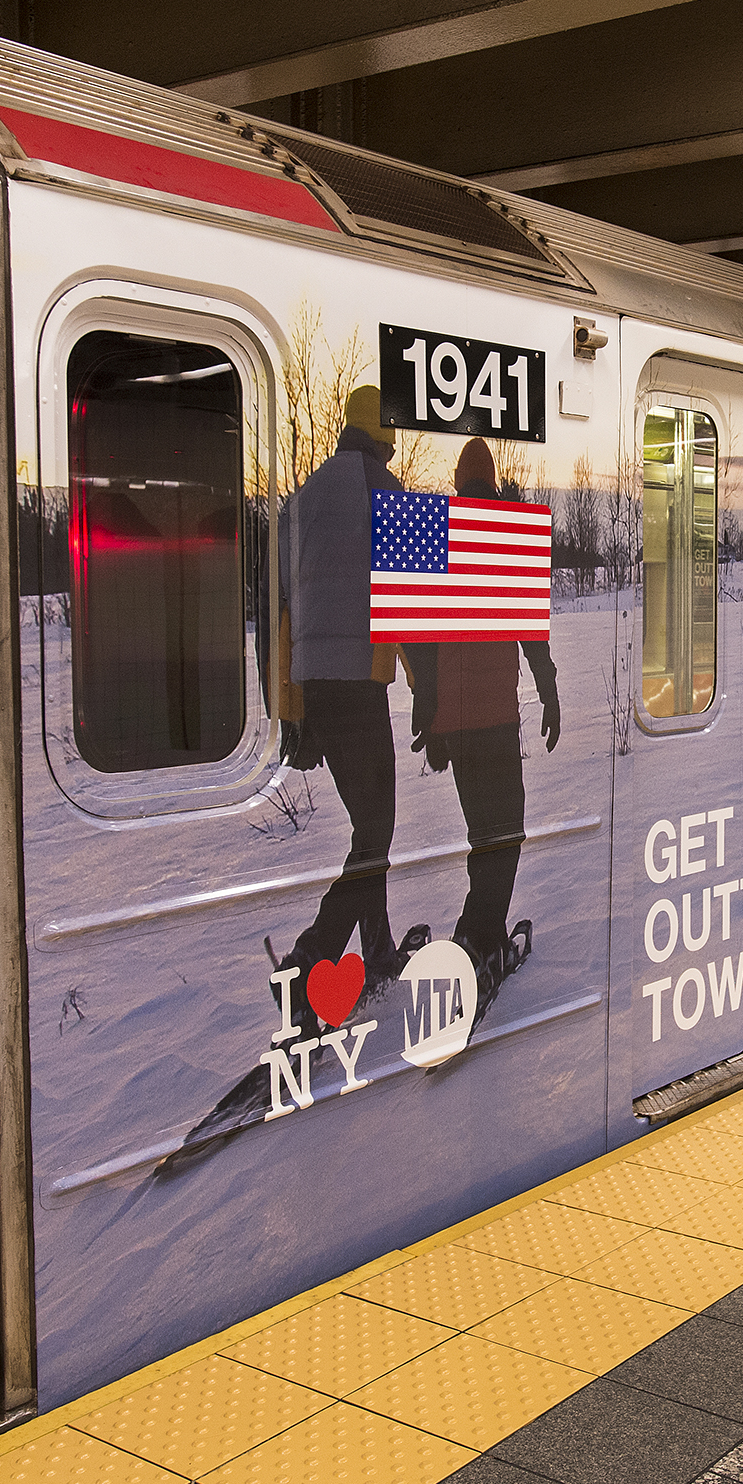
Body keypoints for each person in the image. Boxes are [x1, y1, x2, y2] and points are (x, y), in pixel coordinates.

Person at [271, 384, 429, 1013]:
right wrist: (427, 689)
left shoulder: (300, 501)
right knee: (376, 829)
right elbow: (417, 607)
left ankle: (380, 947)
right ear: (386, 434)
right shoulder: (388, 496)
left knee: (370, 827)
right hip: (362, 686)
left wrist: (290, 705)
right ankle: (311, 957)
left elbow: (281, 606)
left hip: (315, 687)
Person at [402, 439, 560, 1018]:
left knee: (483, 837)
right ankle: (479, 940)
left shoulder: (434, 532)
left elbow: (416, 634)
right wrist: (548, 692)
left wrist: (429, 711)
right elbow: (532, 635)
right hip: (495, 717)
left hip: (456, 723)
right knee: (506, 835)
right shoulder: (505, 533)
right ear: (490, 479)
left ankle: (478, 933)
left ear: (456, 479)